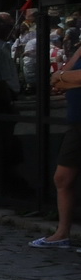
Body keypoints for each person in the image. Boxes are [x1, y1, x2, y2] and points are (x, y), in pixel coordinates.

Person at [31, 46, 81, 247]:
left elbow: (72, 78)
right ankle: (62, 233)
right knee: (62, 178)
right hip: (77, 123)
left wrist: (65, 78)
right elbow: (58, 78)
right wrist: (65, 77)